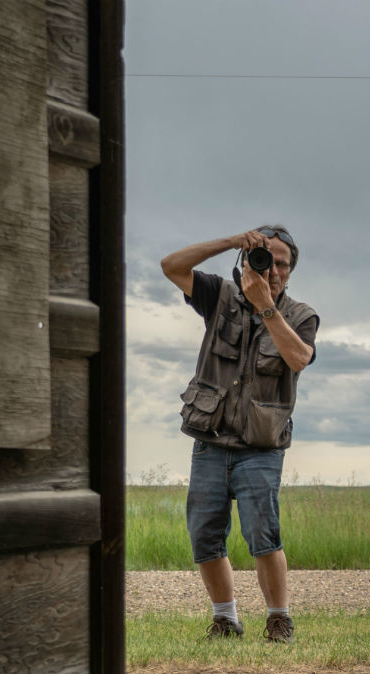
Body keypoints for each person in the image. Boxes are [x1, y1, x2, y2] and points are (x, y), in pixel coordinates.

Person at [160, 226, 318, 643]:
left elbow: (299, 358)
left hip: (260, 448)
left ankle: (278, 619)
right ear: (247, 262)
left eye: (281, 263)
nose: (273, 269)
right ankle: (225, 619)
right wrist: (231, 242)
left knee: (263, 536)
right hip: (210, 440)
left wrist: (266, 306)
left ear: (290, 271)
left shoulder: (300, 315)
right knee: (204, 536)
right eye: (265, 259)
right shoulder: (221, 295)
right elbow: (170, 265)